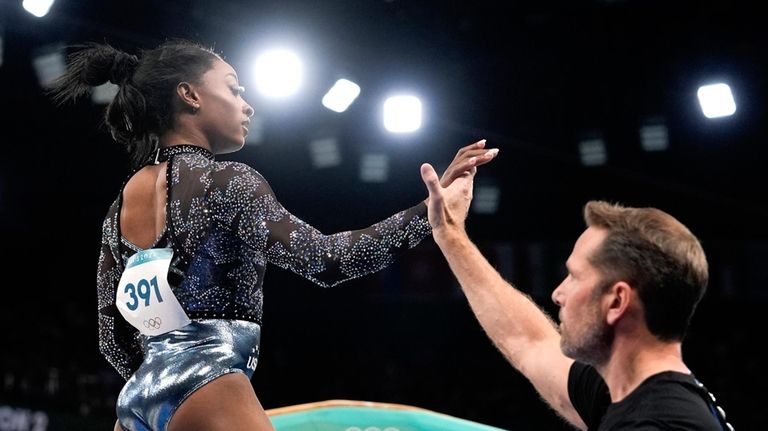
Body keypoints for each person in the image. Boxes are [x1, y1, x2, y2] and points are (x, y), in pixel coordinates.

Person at [50, 40, 497, 431]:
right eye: (234, 89)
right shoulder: (228, 182)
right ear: (189, 95)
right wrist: (429, 213)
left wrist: (164, 369)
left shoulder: (119, 207)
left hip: (135, 401)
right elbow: (326, 261)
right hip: (208, 382)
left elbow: (112, 335)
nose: (248, 105)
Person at [419, 162, 733, 430]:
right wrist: (449, 234)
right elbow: (528, 342)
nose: (558, 293)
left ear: (616, 302)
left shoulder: (658, 422)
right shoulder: (627, 393)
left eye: (575, 276)